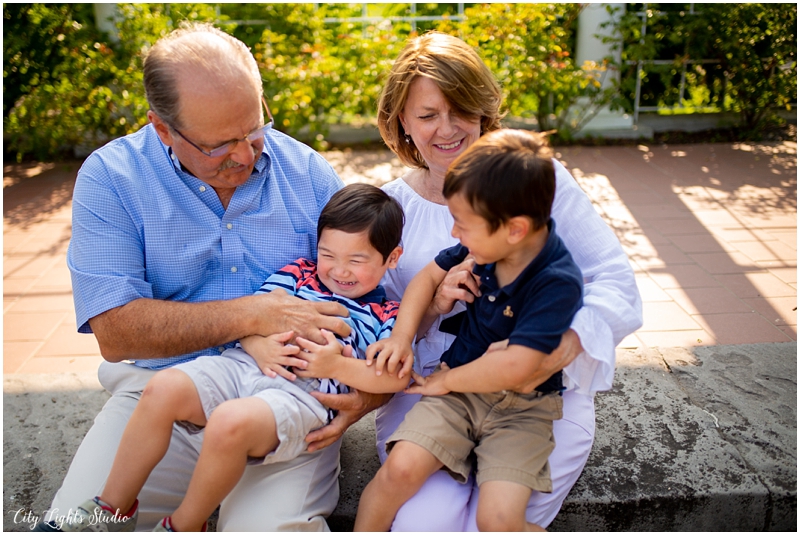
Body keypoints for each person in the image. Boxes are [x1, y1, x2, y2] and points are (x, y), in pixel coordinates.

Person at [304, 31, 641, 530]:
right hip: (429, 392)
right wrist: (433, 306)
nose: (447, 129)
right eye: (427, 115)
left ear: (483, 109)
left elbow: (614, 282)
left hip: (538, 401)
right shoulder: (387, 208)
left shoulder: (535, 181)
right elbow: (373, 321)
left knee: (496, 521)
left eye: (460, 109)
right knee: (422, 525)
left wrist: (555, 348)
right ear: (402, 121)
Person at [36, 23, 359, 532]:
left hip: (285, 398)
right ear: (163, 129)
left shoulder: (308, 173)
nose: (245, 155)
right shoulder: (112, 177)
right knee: (79, 525)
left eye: (254, 129)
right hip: (159, 398)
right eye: (219, 145)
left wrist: (370, 394)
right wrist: (254, 315)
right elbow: (117, 333)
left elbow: (372, 295)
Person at [355, 129, 584, 532]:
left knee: (497, 520)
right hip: (457, 396)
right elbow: (427, 278)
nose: (454, 234)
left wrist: (444, 381)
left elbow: (514, 367)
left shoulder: (557, 282)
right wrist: (401, 337)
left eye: (462, 225)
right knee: (399, 470)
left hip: (521, 410)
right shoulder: (487, 241)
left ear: (515, 230)